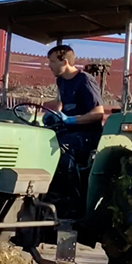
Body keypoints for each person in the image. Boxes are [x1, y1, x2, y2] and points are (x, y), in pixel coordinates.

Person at [43, 45, 112, 216]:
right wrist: (55, 113)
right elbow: (61, 102)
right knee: (42, 142)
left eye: (52, 62)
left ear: (64, 62)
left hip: (87, 135)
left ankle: (74, 202)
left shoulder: (85, 81)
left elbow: (98, 114)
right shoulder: (61, 80)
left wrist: (71, 119)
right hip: (69, 131)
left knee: (63, 149)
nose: (49, 65)